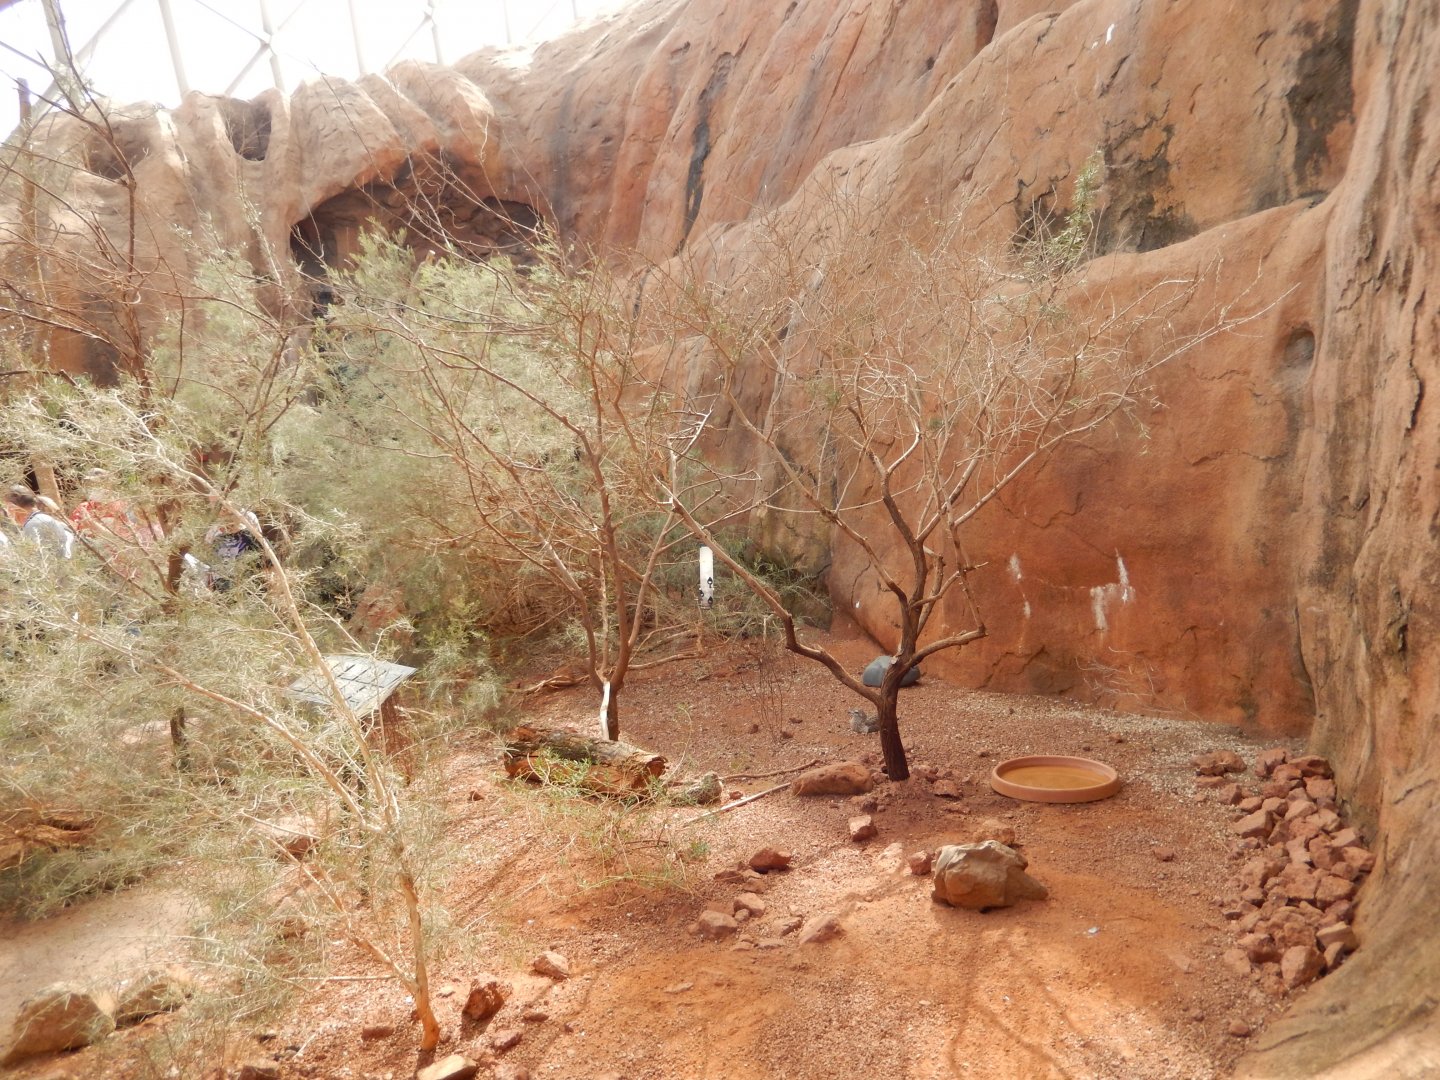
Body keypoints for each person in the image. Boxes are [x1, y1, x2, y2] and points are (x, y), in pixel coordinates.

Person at [4, 485, 75, 561]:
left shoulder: (34, 524)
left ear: (13, 507)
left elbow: (41, 560)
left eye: (7, 507)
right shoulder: (40, 519)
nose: (7, 512)